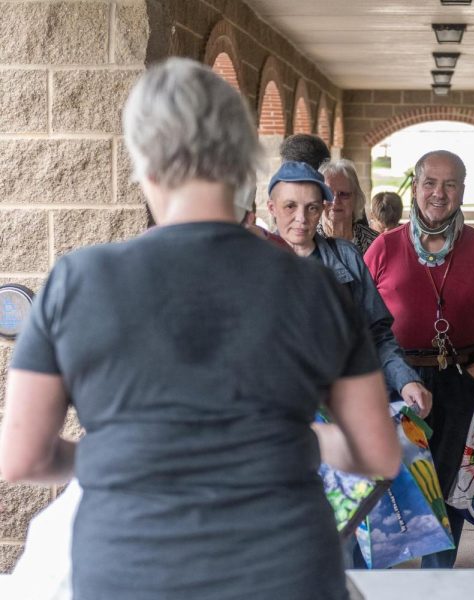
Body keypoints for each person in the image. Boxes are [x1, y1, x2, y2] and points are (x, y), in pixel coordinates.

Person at [0, 58, 401, 600]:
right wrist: (296, 439)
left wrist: (121, 450)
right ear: (242, 164)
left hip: (128, 570)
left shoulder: (78, 280)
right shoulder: (315, 288)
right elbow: (377, 453)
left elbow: (22, 457)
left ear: (144, 164)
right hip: (285, 569)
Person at [364, 150, 474, 568]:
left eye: (450, 184)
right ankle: (388, 584)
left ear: (462, 191)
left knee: (448, 485)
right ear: (415, 187)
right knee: (391, 486)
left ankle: (437, 580)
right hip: (395, 382)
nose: (438, 193)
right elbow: (358, 320)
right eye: (430, 182)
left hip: (459, 382)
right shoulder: (383, 248)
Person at [267, 160, 432, 417]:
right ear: (272, 208)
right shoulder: (252, 262)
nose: (301, 218)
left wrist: (406, 380)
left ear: (322, 209)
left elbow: (377, 335)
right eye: (290, 206)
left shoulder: (345, 256)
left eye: (311, 208)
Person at [318, 159, 379, 255]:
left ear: (356, 198)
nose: (335, 201)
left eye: (343, 194)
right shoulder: (307, 241)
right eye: (328, 194)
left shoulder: (376, 244)